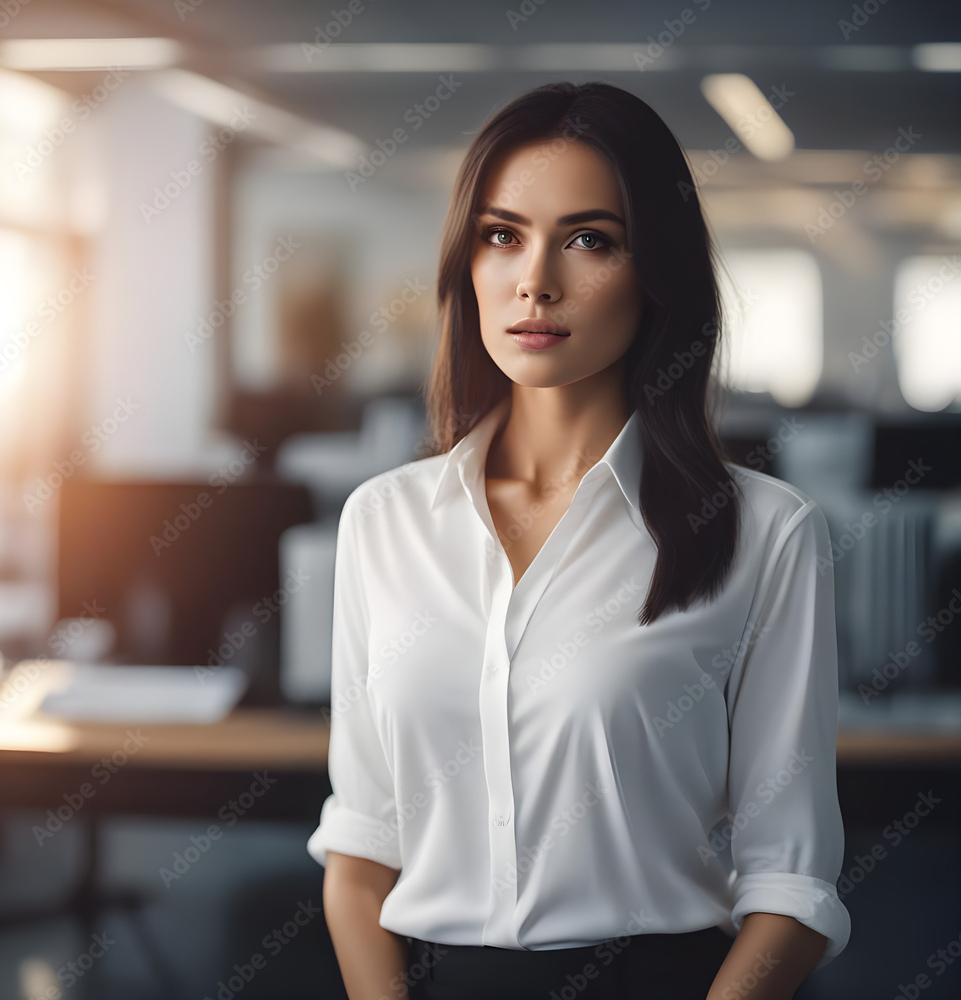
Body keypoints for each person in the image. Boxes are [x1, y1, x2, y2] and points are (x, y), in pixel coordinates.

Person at [306, 80, 851, 1000]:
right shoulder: (383, 522)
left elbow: (791, 885)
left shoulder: (766, 534)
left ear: (657, 273)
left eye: (590, 239)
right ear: (465, 262)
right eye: (502, 235)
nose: (536, 280)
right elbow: (362, 853)